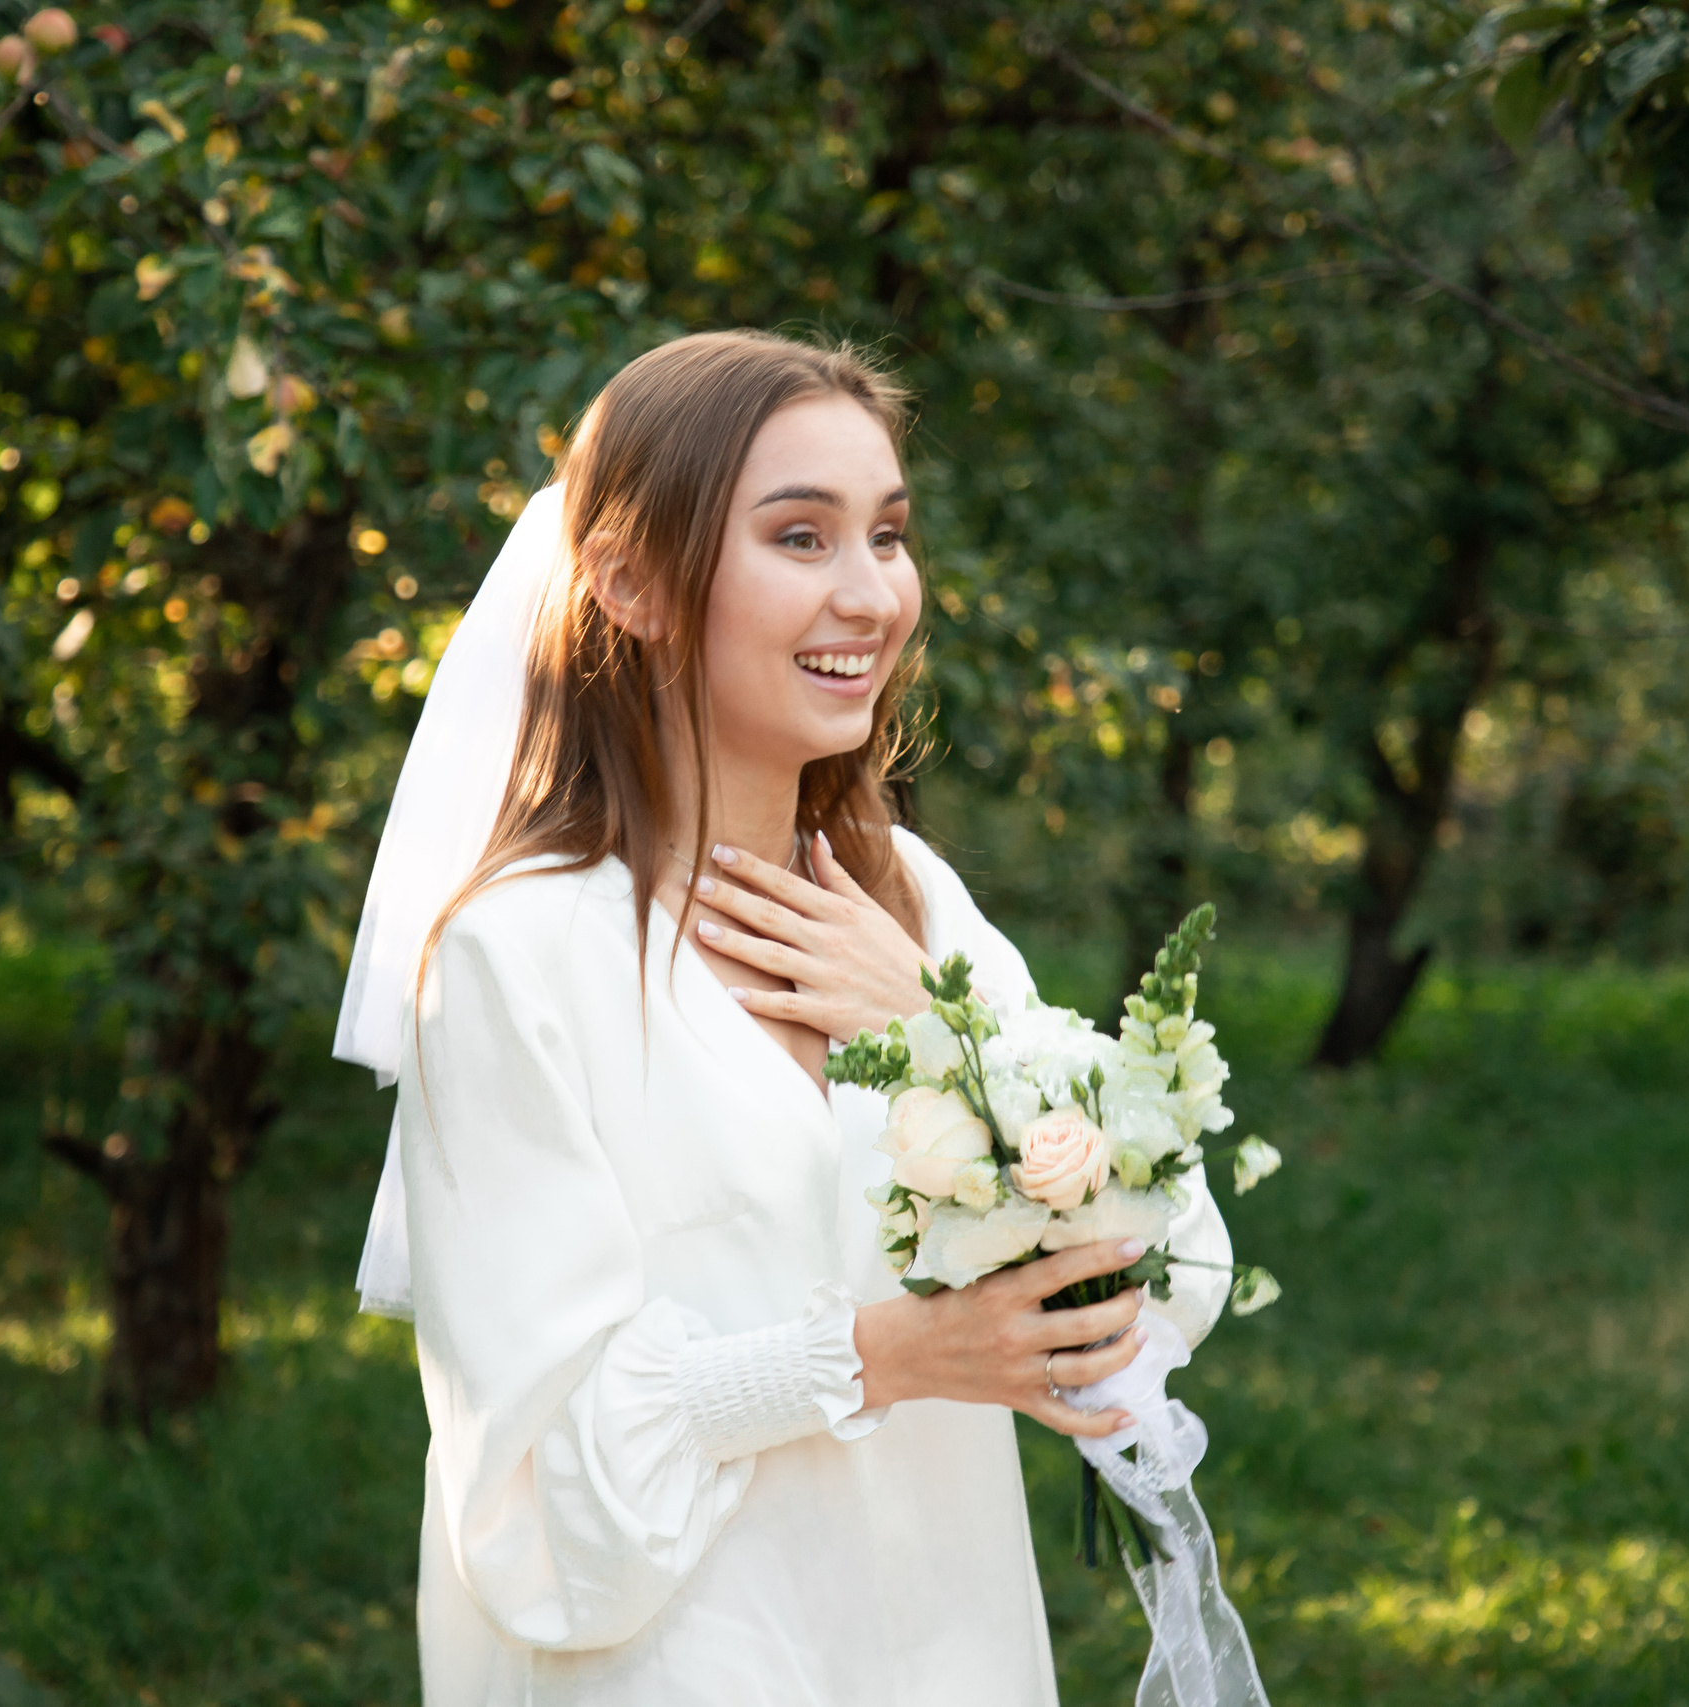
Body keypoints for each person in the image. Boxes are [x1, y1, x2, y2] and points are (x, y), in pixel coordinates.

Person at [333, 330, 1235, 1705]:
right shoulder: (521, 959)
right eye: (800, 537)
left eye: (887, 535)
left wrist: (948, 1035)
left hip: (948, 1641)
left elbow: (1171, 1269)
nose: (871, 593)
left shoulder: (909, 902)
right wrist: (882, 1357)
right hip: (684, 1660)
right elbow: (533, 1479)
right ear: (631, 581)